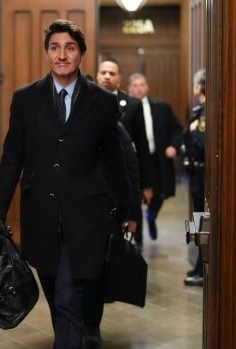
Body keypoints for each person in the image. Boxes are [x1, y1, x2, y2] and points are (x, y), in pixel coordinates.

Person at [0, 19, 133, 349]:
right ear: (47, 54)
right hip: (41, 214)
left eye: (69, 48)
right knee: (56, 293)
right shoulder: (25, 99)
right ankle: (74, 334)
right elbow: (12, 158)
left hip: (87, 216)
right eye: (55, 48)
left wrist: (128, 209)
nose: (61, 55)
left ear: (81, 54)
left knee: (68, 295)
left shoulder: (102, 102)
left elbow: (115, 160)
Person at [79, 67, 143, 349]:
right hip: (69, 212)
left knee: (94, 274)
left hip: (103, 212)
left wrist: (131, 214)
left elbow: (130, 168)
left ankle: (91, 326)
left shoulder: (112, 127)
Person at [96, 59, 154, 247]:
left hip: (125, 179)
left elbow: (142, 147)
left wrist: (146, 185)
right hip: (96, 181)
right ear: (97, 76)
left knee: (127, 244)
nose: (106, 76)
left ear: (119, 79)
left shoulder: (132, 105)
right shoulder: (87, 101)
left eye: (112, 73)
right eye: (103, 72)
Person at [128, 73, 182, 241]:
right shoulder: (123, 107)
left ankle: (151, 216)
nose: (139, 88)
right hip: (133, 160)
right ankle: (137, 242)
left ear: (147, 87)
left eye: (142, 84)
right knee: (135, 199)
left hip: (156, 158)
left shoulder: (161, 107)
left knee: (159, 194)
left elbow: (176, 129)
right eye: (135, 85)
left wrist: (173, 146)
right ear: (129, 89)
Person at [183, 69, 206, 286]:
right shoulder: (201, 110)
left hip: (202, 177)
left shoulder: (204, 113)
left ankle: (202, 267)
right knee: (197, 222)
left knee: (201, 222)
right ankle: (199, 265)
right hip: (197, 177)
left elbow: (200, 145)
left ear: (199, 87)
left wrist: (192, 132)